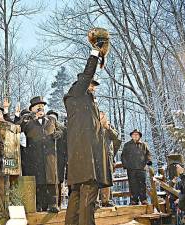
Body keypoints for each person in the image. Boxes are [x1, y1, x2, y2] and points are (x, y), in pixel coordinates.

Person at [64, 27, 111, 225]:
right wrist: (95, 52)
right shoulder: (76, 94)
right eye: (90, 84)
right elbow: (86, 74)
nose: (92, 87)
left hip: (81, 161)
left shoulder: (87, 102)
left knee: (76, 199)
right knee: (88, 202)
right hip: (86, 160)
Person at [16, 96, 62, 213]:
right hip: (34, 155)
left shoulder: (51, 120)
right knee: (39, 180)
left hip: (50, 155)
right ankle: (39, 204)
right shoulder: (28, 122)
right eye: (38, 106)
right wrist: (29, 117)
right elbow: (17, 127)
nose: (41, 107)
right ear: (32, 108)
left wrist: (57, 134)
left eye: (42, 105)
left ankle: (53, 204)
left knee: (51, 179)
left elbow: (61, 130)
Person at [121, 129, 152, 205]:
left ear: (139, 136)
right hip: (131, 168)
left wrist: (148, 161)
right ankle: (134, 200)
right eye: (134, 134)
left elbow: (148, 154)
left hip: (142, 168)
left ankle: (143, 199)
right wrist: (126, 165)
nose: (135, 136)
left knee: (142, 184)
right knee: (133, 185)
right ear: (131, 136)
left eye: (137, 134)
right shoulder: (127, 145)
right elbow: (123, 156)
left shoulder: (144, 145)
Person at [99, 111, 121, 207]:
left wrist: (107, 127)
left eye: (103, 115)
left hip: (108, 156)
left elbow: (116, 137)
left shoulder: (109, 126)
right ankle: (95, 201)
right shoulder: (93, 125)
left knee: (107, 179)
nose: (101, 117)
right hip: (97, 156)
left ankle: (106, 200)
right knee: (96, 179)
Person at [46, 110, 67, 208]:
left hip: (59, 158)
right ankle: (53, 204)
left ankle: (57, 204)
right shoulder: (46, 127)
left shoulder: (62, 129)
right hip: (51, 158)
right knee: (53, 181)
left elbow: (66, 142)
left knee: (58, 181)